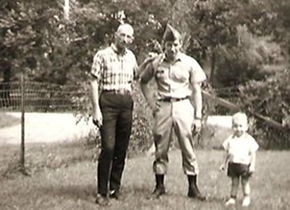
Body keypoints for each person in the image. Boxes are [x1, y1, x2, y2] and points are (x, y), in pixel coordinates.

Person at [139, 24, 207, 200]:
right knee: (160, 146)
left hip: (183, 105)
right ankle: (160, 186)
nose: (172, 48)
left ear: (180, 44)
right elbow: (143, 81)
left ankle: (193, 187)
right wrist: (152, 103)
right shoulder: (156, 63)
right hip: (163, 107)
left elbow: (197, 89)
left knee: (187, 146)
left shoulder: (189, 62)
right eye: (169, 45)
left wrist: (198, 116)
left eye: (176, 44)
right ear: (164, 45)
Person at [90, 23, 138, 206]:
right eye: (122, 35)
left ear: (131, 40)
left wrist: (152, 61)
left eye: (129, 37)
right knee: (108, 147)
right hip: (108, 103)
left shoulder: (131, 57)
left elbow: (138, 76)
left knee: (121, 148)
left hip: (126, 103)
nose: (125, 39)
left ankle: (114, 188)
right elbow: (94, 83)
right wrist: (96, 109)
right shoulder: (102, 55)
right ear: (115, 35)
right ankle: (102, 192)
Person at [220, 112, 259, 207]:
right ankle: (232, 198)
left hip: (244, 165)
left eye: (241, 126)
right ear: (232, 127)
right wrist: (223, 164)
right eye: (236, 126)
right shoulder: (230, 139)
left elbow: (253, 153)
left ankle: (246, 197)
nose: (238, 129)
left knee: (245, 182)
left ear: (246, 127)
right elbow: (226, 153)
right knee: (234, 182)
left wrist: (252, 165)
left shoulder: (249, 140)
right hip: (233, 165)